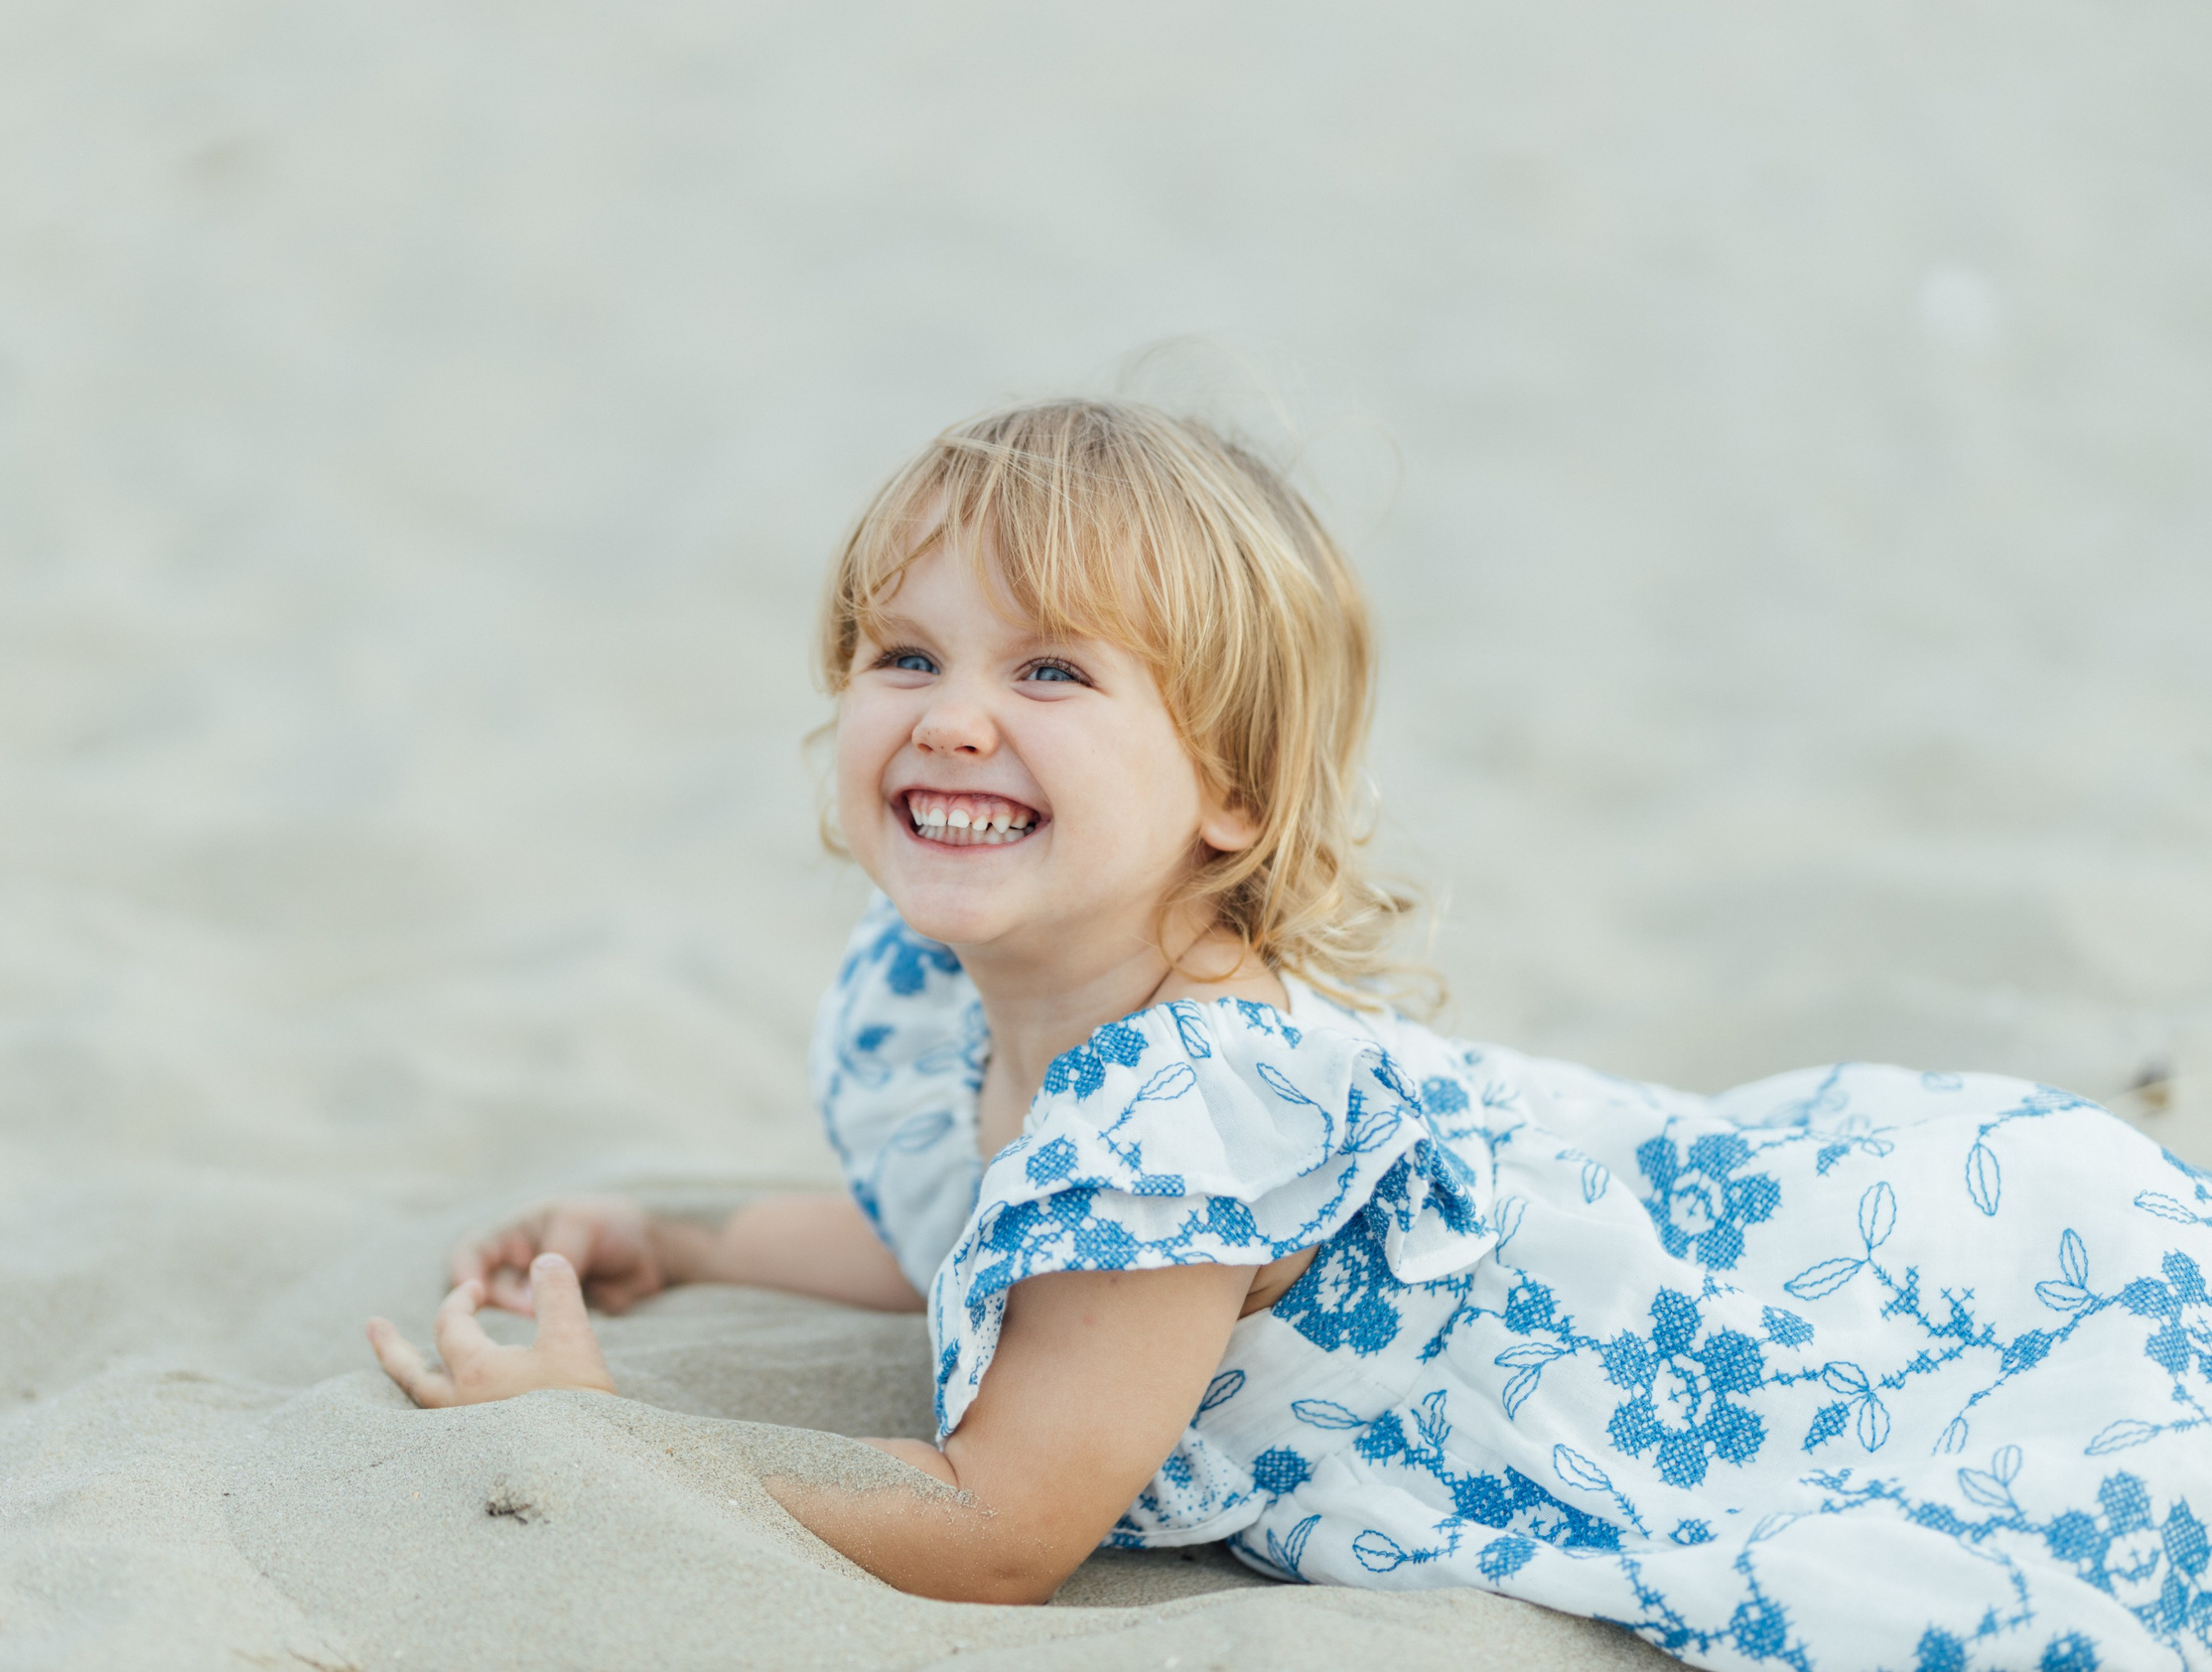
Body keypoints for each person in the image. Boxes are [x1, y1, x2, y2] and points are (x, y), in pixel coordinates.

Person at [368, 398, 2207, 1671]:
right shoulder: (963, 1000)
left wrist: (617, 1443)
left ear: (1232, 798)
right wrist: (686, 1237)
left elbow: (1005, 1522)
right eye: (905, 656)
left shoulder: (1197, 1110)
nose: (950, 719)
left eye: (1053, 673)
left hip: (1715, 1319)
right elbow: (987, 1242)